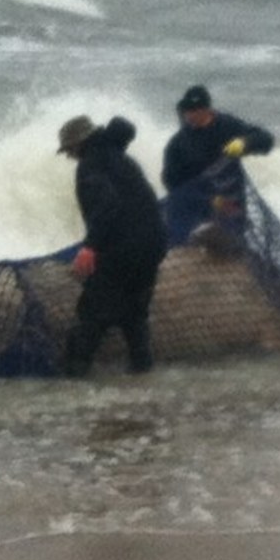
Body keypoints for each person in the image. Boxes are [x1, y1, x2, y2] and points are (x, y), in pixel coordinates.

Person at [57, 115, 168, 376]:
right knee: (134, 317)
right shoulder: (119, 157)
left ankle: (73, 387)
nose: (68, 156)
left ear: (78, 144)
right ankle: (143, 379)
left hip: (124, 249)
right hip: (153, 244)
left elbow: (107, 205)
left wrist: (90, 246)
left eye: (68, 150)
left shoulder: (90, 165)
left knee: (90, 320)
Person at [161, 85, 275, 246]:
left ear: (207, 110)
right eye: (188, 111)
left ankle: (224, 238)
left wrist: (245, 142)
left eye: (195, 111)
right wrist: (209, 200)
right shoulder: (177, 143)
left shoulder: (227, 125)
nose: (190, 116)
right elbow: (171, 182)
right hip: (198, 203)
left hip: (230, 202)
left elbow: (267, 140)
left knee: (226, 236)